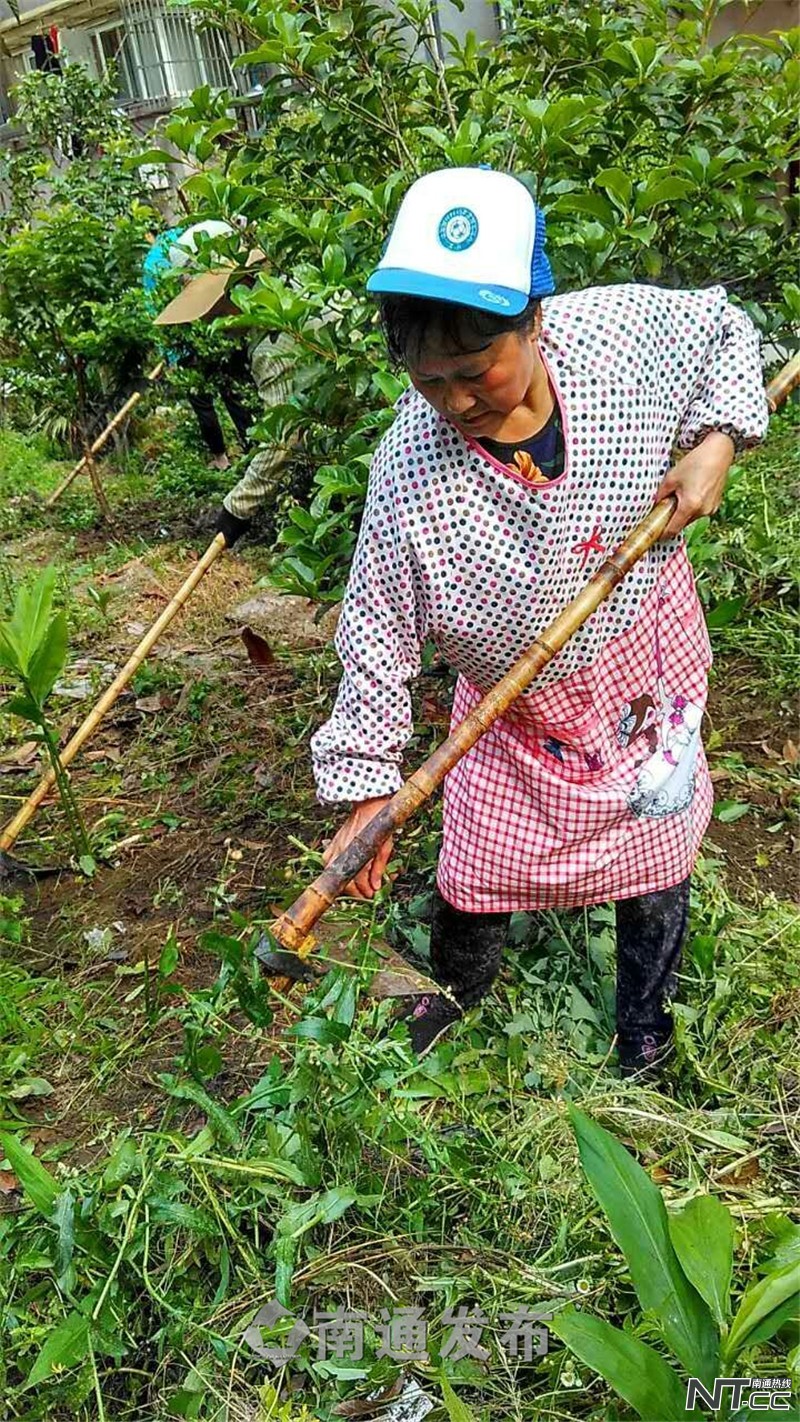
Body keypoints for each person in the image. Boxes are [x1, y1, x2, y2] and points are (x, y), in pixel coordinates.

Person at [311, 166, 769, 1077]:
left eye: (477, 372)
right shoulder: (412, 470)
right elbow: (375, 634)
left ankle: (644, 1031)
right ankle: (454, 1009)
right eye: (427, 380)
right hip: (512, 711)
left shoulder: (617, 338)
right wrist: (369, 785)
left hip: (643, 660)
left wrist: (716, 442)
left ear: (535, 319)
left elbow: (726, 327)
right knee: (475, 864)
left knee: (657, 835)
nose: (454, 402)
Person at [152, 226, 297, 547]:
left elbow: (284, 440)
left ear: (235, 288)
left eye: (211, 305)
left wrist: (236, 510)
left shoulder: (274, 345)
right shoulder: (294, 289)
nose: (206, 319)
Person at [143, 223, 260, 473]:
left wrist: (172, 355)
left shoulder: (155, 260)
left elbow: (154, 306)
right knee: (236, 394)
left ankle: (221, 458)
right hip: (224, 341)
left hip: (189, 346)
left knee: (203, 402)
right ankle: (254, 448)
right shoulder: (195, 232)